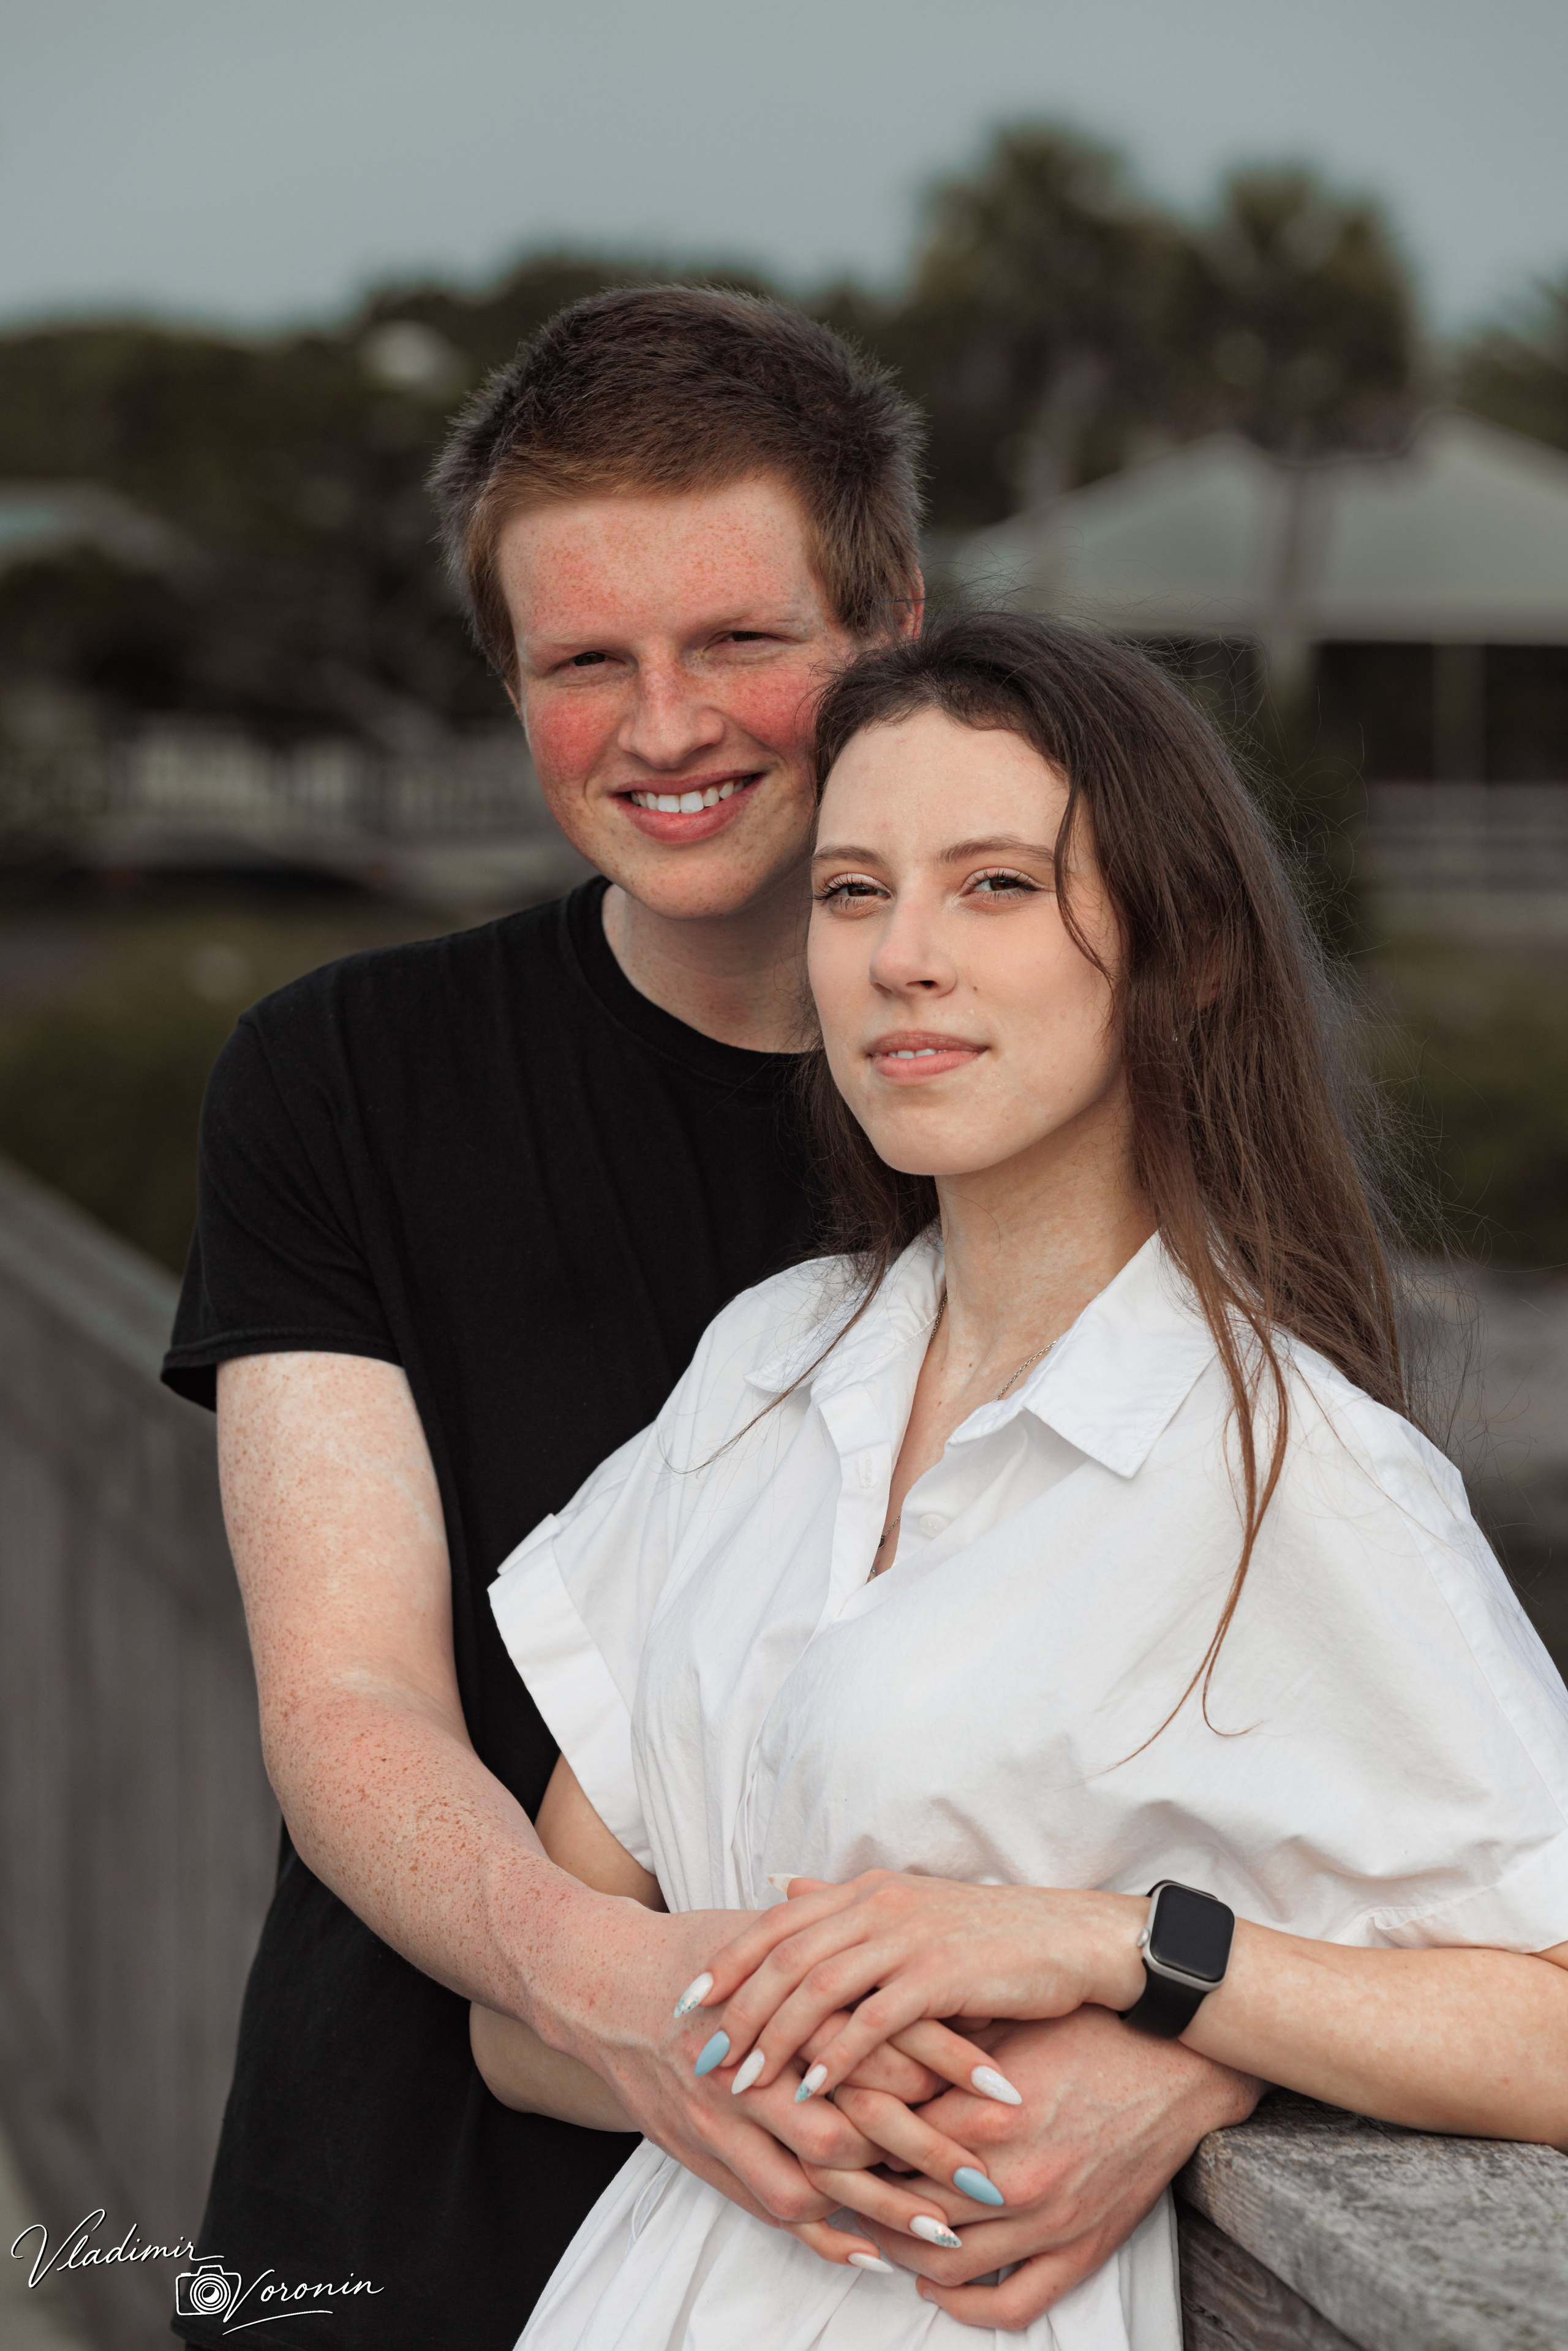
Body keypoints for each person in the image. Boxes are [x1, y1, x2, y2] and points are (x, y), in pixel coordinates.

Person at [160, 296, 1255, 2351]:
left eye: (742, 642)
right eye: (586, 662)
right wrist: (618, 1995)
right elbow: (353, 1701)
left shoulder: (1096, 1095)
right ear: (511, 686)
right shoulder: (339, 1080)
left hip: (903, 2268)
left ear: (893, 627)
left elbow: (1319, 1766)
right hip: (401, 2203)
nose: (668, 728)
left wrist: (1206, 2063)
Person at [478, 610, 1568, 2350]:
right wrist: (771, 2062)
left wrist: (1143, 1974)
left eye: (994, 886)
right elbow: (528, 2016)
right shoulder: (768, 1363)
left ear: (1185, 953)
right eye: (852, 892)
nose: (904, 956)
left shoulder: (1296, 1472)